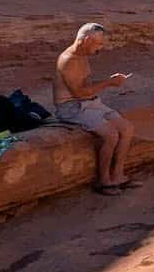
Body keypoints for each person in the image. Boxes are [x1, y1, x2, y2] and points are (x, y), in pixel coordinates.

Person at [54, 22, 136, 194]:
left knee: (127, 129)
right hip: (72, 107)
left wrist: (109, 82)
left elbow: (87, 86)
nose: (101, 48)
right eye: (98, 44)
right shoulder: (68, 60)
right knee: (111, 135)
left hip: (90, 102)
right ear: (85, 40)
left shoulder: (83, 55)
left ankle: (118, 175)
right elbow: (79, 94)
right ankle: (104, 181)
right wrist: (109, 82)